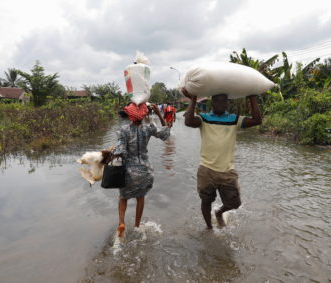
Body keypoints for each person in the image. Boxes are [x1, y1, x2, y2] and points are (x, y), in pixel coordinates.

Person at [181, 88, 262, 229]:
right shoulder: (204, 118)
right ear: (212, 103)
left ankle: (219, 212)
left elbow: (257, 120)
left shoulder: (233, 119)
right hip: (207, 169)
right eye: (217, 101)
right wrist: (193, 99)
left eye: (223, 102)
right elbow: (188, 121)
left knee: (235, 203)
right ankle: (209, 228)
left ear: (227, 105)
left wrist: (252, 97)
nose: (220, 104)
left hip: (227, 170)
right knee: (206, 201)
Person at [104, 102, 170, 237]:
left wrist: (108, 156)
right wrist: (159, 114)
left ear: (130, 115)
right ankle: (137, 226)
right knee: (140, 197)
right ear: (143, 115)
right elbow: (165, 134)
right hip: (146, 171)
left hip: (128, 172)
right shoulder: (148, 129)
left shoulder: (123, 130)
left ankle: (121, 223)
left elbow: (120, 150)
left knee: (123, 197)